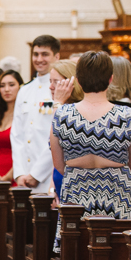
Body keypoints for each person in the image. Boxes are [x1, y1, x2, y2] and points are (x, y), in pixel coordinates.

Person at [50, 51, 131, 251]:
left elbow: (58, 164)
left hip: (76, 191)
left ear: (79, 82)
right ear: (111, 79)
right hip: (119, 192)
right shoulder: (127, 115)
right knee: (121, 255)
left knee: (75, 253)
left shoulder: (62, 114)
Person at [10, 34, 60, 194]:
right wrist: (19, 173)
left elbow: (56, 136)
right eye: (35, 54)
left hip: (49, 174)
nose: (39, 59)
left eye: (45, 54)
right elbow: (16, 134)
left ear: (56, 56)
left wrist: (36, 174)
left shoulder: (59, 90)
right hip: (23, 177)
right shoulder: (25, 90)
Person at [48, 60, 84, 199]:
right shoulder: (59, 108)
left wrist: (58, 103)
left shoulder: (79, 109)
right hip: (58, 177)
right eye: (50, 81)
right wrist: (52, 187)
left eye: (56, 82)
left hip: (74, 182)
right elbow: (54, 151)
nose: (51, 86)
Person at [0, 70, 23, 184]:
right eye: (2, 86)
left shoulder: (24, 115)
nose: (6, 89)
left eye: (11, 85)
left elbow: (27, 150)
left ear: (20, 87)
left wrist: (8, 176)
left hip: (17, 173)